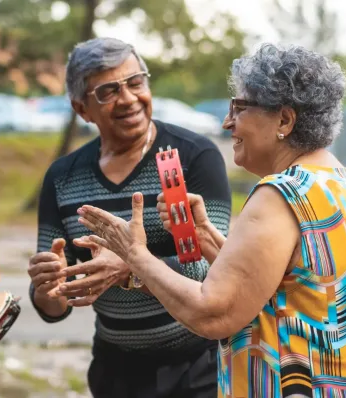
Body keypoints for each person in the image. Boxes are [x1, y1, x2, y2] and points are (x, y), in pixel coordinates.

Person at [76, 43, 346, 397]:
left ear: (284, 120)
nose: (228, 123)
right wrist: (206, 236)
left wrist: (135, 255)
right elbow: (274, 286)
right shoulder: (341, 183)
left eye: (238, 108)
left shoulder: (280, 195)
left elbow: (214, 313)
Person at [27, 37, 232, 397]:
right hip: (115, 372)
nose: (128, 98)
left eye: (136, 82)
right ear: (81, 109)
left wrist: (131, 268)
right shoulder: (62, 178)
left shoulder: (193, 156)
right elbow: (54, 305)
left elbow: (219, 272)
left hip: (200, 368)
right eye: (108, 91)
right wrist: (50, 286)